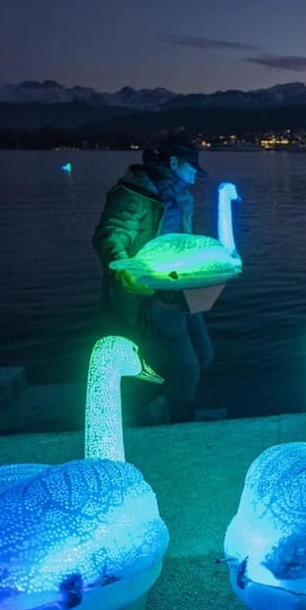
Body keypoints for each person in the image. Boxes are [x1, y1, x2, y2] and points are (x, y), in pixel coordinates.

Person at [92, 134, 214, 424]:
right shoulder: (134, 193)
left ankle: (150, 404)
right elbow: (110, 234)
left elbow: (181, 240)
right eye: (191, 170)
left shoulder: (182, 196)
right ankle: (179, 425)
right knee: (186, 368)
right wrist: (122, 268)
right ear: (173, 162)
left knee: (204, 354)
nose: (195, 178)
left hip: (183, 291)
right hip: (152, 296)